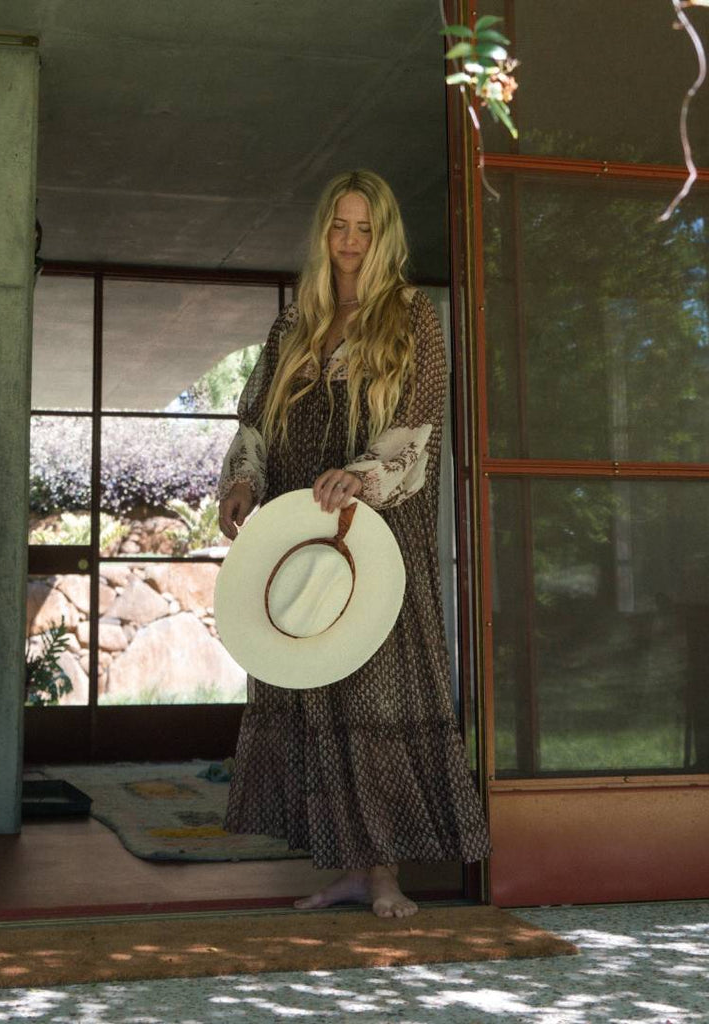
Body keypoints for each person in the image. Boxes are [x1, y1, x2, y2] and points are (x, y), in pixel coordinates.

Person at [217, 169, 492, 919]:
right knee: (315, 693)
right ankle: (344, 865)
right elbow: (254, 424)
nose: (349, 242)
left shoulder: (411, 316)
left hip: (376, 533)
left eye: (365, 228)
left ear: (385, 236)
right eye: (339, 227)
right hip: (298, 531)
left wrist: (361, 477)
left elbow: (419, 427)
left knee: (374, 695)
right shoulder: (291, 327)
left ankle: (384, 877)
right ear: (323, 235)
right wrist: (241, 482)